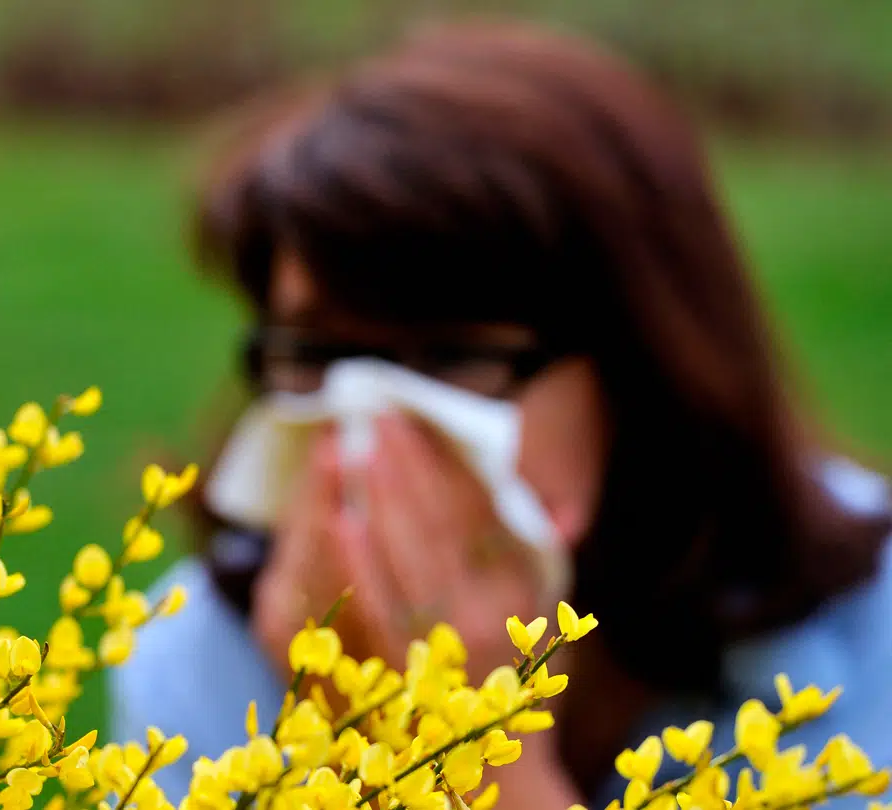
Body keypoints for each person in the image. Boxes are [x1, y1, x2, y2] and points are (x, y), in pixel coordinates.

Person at [109, 19, 892, 810]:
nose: (374, 421)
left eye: (454, 357)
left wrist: (472, 749)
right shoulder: (204, 655)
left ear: (639, 368)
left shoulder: (872, 636)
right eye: (317, 353)